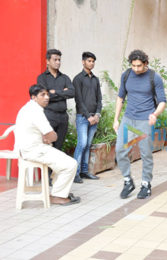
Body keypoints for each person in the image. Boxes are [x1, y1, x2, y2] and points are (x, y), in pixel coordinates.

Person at [113, 50, 166, 199]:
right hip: (128, 119)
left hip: (145, 120)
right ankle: (128, 181)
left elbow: (162, 101)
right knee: (120, 150)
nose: (136, 69)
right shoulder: (127, 75)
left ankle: (145, 184)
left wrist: (155, 114)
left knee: (145, 154)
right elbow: (120, 98)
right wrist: (116, 119)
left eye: (139, 66)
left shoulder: (154, 77)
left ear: (145, 64)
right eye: (134, 66)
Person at [15, 84, 80, 206]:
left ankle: (58, 191)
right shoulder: (35, 111)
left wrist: (47, 137)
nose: (47, 98)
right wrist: (49, 137)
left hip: (29, 148)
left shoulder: (28, 108)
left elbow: (46, 135)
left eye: (47, 94)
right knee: (71, 164)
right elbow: (52, 136)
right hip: (34, 150)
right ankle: (58, 196)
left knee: (61, 161)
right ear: (34, 97)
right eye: (42, 95)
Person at [73, 52, 102, 183]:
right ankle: (75, 173)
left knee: (88, 144)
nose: (91, 63)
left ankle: (84, 171)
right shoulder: (78, 79)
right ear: (83, 62)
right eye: (89, 61)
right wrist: (88, 116)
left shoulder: (95, 79)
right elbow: (78, 100)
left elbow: (99, 99)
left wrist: (97, 114)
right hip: (83, 117)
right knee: (82, 143)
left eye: (93, 61)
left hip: (94, 117)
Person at [37, 49, 75, 151]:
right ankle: (47, 168)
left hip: (63, 117)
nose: (58, 62)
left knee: (59, 147)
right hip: (49, 115)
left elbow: (72, 93)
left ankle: (55, 168)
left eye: (59, 60)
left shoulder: (65, 78)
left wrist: (55, 92)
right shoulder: (42, 78)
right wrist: (63, 92)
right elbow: (44, 96)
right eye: (55, 60)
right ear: (48, 61)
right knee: (47, 147)